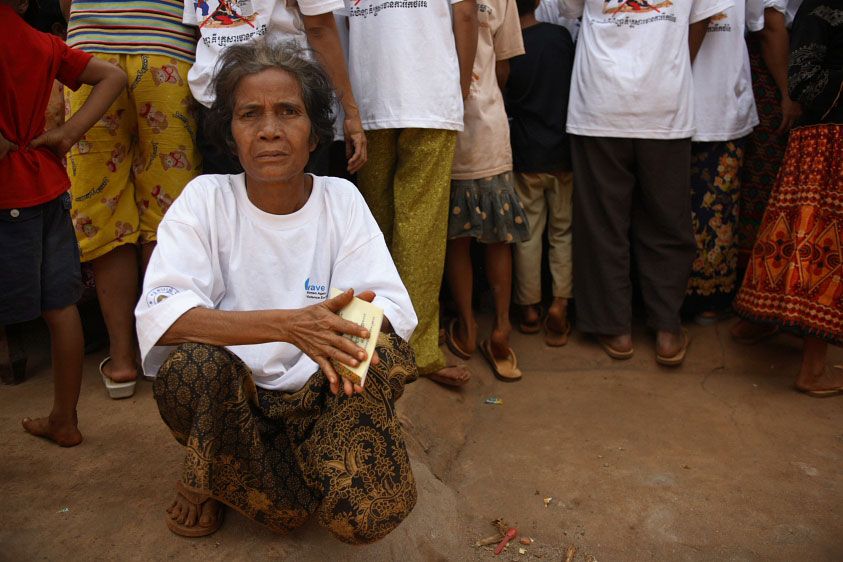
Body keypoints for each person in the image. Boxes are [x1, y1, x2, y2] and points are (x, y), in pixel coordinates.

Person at [135, 39, 420, 541]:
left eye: (288, 111)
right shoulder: (206, 199)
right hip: (232, 403)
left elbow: (390, 306)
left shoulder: (340, 199)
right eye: (250, 114)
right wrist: (290, 326)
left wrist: (331, 344)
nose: (269, 130)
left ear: (314, 134)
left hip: (322, 392)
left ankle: (302, 464)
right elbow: (163, 315)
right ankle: (207, 473)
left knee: (381, 353)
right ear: (231, 134)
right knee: (191, 368)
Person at [559, 0, 732, 366]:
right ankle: (667, 329)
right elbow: (701, 20)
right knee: (667, 220)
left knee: (603, 223)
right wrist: (670, 67)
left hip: (601, 103)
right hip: (664, 103)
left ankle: (614, 328)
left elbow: (570, 9)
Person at [0, 0, 125, 445]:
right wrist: (68, 134)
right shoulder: (41, 43)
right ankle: (64, 420)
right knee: (60, 307)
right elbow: (114, 76)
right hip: (48, 185)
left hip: (7, 194)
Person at [63, 0, 201, 398]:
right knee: (168, 210)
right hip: (165, 48)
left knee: (103, 208)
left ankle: (122, 358)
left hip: (88, 57)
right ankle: (160, 349)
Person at [345, 0, 479, 387]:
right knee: (420, 228)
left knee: (371, 228)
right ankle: (417, 351)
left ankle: (367, 346)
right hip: (430, 93)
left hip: (369, 96)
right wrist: (460, 88)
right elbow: (466, 13)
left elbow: (342, 24)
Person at [733, 0, 843, 396]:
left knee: (794, 240)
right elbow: (803, 80)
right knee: (822, 249)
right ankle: (813, 369)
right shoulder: (825, 7)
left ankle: (755, 323)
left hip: (820, 142)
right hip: (829, 142)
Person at [185, 0, 367, 176]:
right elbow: (319, 28)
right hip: (287, 95)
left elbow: (204, 28)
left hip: (216, 95)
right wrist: (351, 113)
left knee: (228, 194)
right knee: (299, 192)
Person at [444, 0, 526, 382]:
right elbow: (503, 66)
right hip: (490, 126)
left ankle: (467, 326)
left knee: (457, 238)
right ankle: (501, 329)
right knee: (498, 236)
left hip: (448, 125)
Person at [685, 0, 764, 324]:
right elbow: (760, 23)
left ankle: (682, 300)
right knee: (718, 208)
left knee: (683, 208)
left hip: (694, 106)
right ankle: (708, 302)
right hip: (714, 104)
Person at [731, 0, 803, 343]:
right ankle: (759, 304)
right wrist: (787, 91)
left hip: (786, 66)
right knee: (769, 190)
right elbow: (771, 26)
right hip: (773, 73)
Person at [505, 0, 575, 347]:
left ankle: (530, 308)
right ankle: (560, 302)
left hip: (526, 155)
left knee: (528, 234)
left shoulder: (509, 48)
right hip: (562, 153)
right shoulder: (559, 37)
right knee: (563, 232)